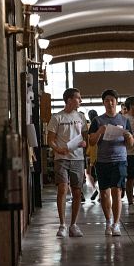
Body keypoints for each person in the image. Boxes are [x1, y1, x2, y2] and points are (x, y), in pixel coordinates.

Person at [88, 89, 134, 236]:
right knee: (105, 193)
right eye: (106, 100)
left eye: (112, 100)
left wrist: (127, 135)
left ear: (116, 101)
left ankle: (116, 224)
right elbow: (91, 141)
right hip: (102, 161)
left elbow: (131, 143)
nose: (109, 103)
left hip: (120, 160)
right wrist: (100, 131)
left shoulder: (124, 120)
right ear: (103, 103)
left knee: (117, 191)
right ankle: (108, 222)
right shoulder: (97, 121)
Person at [46, 88, 88, 238]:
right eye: (78, 98)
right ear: (69, 100)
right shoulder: (57, 117)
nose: (80, 101)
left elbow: (84, 137)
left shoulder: (81, 117)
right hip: (61, 158)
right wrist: (58, 149)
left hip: (78, 158)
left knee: (77, 191)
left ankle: (74, 225)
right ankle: (62, 224)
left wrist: (84, 144)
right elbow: (49, 140)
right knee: (62, 189)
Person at [86, 109, 100, 201]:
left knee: (88, 173)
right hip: (97, 150)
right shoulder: (99, 124)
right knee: (98, 173)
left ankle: (96, 189)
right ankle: (98, 191)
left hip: (90, 151)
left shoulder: (89, 126)